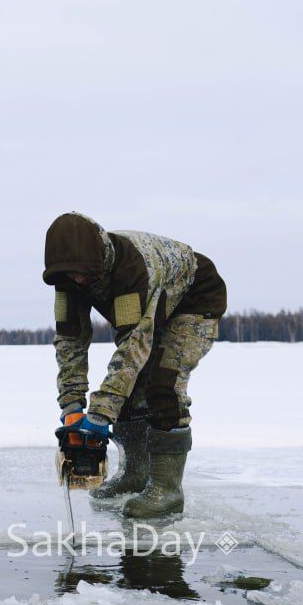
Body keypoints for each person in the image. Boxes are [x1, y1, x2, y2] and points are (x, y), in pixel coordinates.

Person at [43, 212, 226, 518]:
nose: (79, 281)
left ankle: (167, 490)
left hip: (195, 298)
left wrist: (101, 412)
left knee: (164, 386)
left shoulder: (130, 269)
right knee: (131, 390)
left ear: (98, 259)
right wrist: (71, 403)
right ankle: (135, 474)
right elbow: (70, 342)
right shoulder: (68, 281)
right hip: (153, 306)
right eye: (71, 276)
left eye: (83, 274)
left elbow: (134, 348)